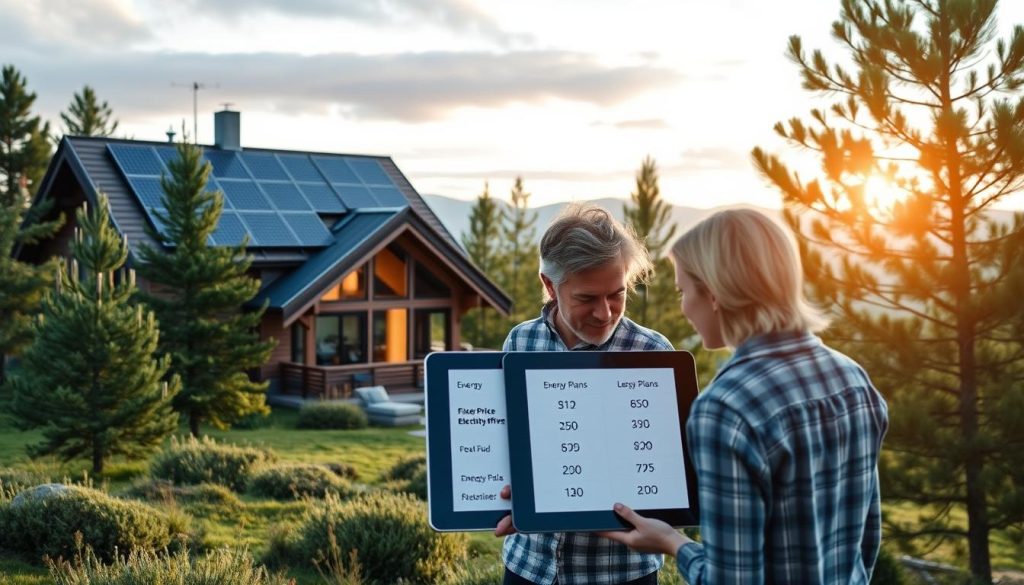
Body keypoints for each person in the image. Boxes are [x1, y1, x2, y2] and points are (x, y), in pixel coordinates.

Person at [598, 208, 889, 584]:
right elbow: (866, 543)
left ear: (715, 295)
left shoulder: (725, 409)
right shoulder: (853, 379)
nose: (685, 308)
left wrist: (673, 542)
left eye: (684, 291)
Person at [496, 203, 674, 585]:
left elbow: (665, 466)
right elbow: (510, 440)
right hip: (531, 565)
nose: (605, 313)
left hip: (621, 572)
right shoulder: (520, 341)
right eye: (586, 298)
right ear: (549, 285)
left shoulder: (652, 352)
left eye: (617, 294)